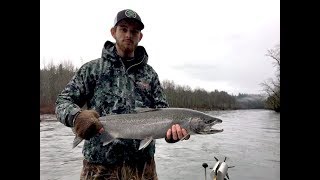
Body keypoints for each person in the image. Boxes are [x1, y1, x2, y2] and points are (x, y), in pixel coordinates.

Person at [55, 9, 190, 180]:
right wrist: (77, 117)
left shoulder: (150, 75)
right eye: (123, 29)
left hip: (143, 170)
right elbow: (62, 102)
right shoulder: (92, 70)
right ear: (113, 32)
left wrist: (173, 135)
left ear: (140, 37)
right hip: (98, 169)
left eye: (134, 31)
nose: (128, 34)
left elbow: (164, 114)